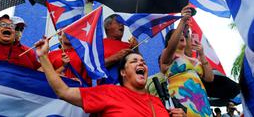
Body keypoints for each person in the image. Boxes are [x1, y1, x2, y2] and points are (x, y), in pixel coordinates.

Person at [36, 37, 186, 116]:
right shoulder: (108, 92)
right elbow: (64, 92)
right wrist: (43, 56)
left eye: (143, 62)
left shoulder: (158, 102)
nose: (141, 64)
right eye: (134, 61)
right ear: (123, 72)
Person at [160, 5, 214, 117]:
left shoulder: (194, 59)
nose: (183, 36)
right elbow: (172, 45)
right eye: (179, 35)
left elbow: (209, 78)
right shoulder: (168, 55)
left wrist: (202, 55)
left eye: (184, 35)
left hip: (202, 105)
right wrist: (182, 20)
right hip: (181, 105)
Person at [103, 14, 138, 84]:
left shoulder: (129, 46)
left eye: (122, 23)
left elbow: (139, 65)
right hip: (109, 88)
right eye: (118, 22)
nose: (121, 25)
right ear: (107, 26)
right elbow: (94, 67)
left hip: (131, 87)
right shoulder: (98, 44)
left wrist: (136, 49)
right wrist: (115, 58)